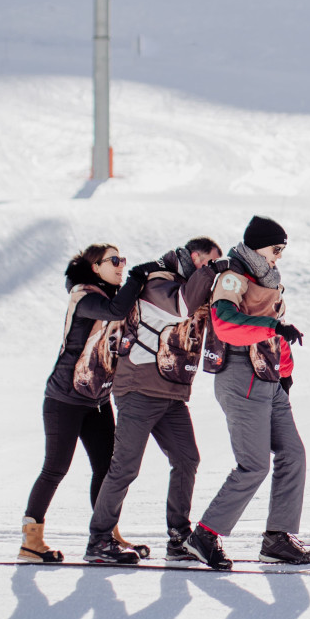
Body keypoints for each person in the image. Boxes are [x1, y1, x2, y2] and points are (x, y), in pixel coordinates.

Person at [84, 237, 224, 564]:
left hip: (171, 392)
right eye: (208, 262)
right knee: (124, 468)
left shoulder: (188, 283)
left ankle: (178, 538)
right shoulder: (157, 281)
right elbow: (183, 308)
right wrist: (212, 273)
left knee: (187, 459)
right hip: (138, 389)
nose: (210, 271)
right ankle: (99, 540)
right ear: (194, 256)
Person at [185, 216, 310, 570]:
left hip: (269, 378)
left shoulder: (267, 279)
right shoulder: (233, 275)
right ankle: (205, 536)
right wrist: (274, 326)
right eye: (276, 249)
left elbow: (276, 334)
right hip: (240, 375)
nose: (279, 257)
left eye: (283, 250)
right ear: (258, 247)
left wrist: (285, 374)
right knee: (254, 464)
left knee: (293, 455)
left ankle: (278, 539)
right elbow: (225, 325)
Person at [19, 243, 147, 563]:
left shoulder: (107, 296)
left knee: (107, 469)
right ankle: (31, 542)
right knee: (55, 468)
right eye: (114, 261)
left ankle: (106, 537)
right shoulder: (85, 296)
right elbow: (116, 312)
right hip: (65, 398)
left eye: (123, 260)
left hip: (97, 399)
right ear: (95, 267)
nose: (120, 265)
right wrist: (136, 278)